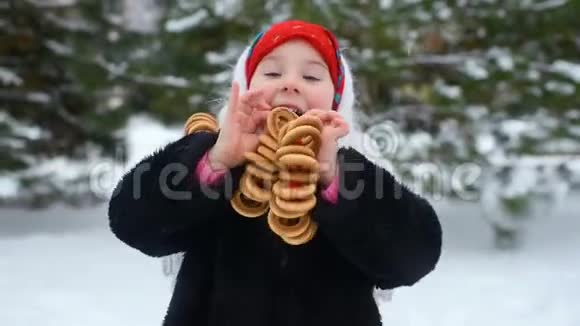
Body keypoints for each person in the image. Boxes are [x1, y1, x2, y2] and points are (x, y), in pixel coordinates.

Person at [108, 19, 442, 326]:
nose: (291, 84)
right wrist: (215, 161)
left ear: (336, 101)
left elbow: (414, 258)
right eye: (271, 73)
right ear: (243, 89)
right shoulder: (215, 161)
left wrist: (336, 179)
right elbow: (132, 222)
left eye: (311, 76)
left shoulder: (354, 174)